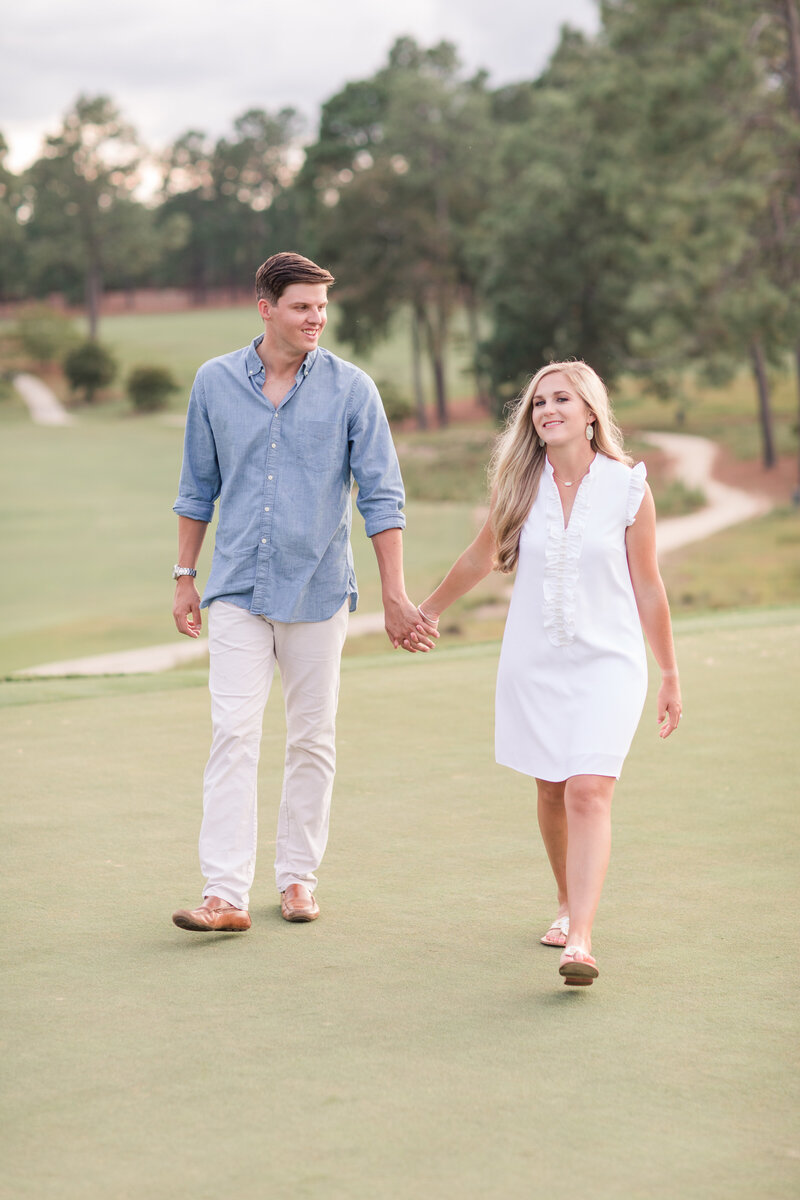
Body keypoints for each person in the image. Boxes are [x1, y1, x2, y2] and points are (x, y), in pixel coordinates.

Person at [170, 252, 438, 934]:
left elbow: (382, 497)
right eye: (301, 306)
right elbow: (197, 488)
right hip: (235, 587)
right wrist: (184, 577)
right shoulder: (214, 383)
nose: (316, 318)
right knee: (232, 732)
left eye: (322, 306)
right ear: (266, 308)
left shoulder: (353, 390)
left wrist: (397, 596)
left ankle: (297, 879)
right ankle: (224, 895)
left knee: (312, 738)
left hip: (318, 590)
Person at [416, 361, 681, 986]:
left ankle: (581, 940)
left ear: (591, 412)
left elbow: (648, 585)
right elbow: (483, 555)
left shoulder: (628, 488)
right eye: (538, 403)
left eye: (562, 399)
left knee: (590, 789)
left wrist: (669, 671)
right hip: (533, 661)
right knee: (551, 789)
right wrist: (424, 612)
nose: (547, 411)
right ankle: (565, 902)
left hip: (610, 662)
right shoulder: (520, 486)